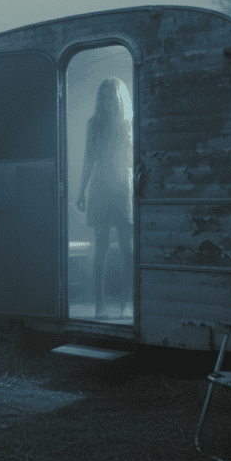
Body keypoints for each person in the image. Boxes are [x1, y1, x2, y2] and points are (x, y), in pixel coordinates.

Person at [76, 78, 133, 319]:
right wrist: (81, 191)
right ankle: (99, 306)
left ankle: (125, 304)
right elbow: (88, 158)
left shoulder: (129, 123)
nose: (108, 101)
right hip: (100, 189)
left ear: (120, 98)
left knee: (127, 249)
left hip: (123, 190)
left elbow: (134, 158)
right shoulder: (93, 124)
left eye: (112, 97)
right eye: (105, 97)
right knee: (100, 248)